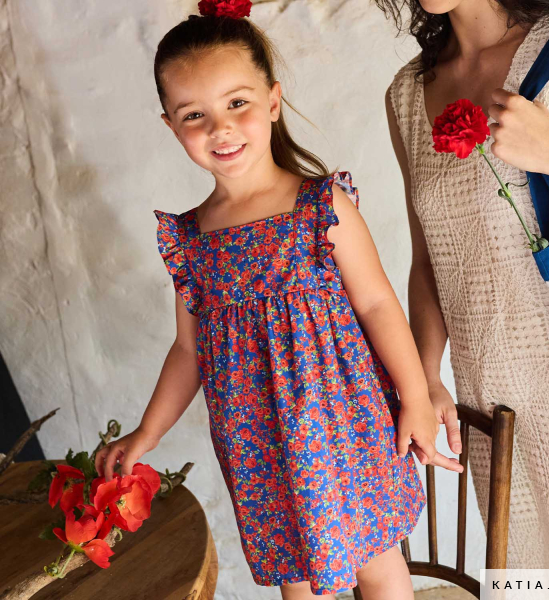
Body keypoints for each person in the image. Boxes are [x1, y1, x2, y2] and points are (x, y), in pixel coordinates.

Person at [94, 2, 462, 597]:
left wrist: (416, 398)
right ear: (171, 126)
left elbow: (376, 305)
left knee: (379, 565)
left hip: (346, 426)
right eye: (194, 114)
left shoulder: (320, 206)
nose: (220, 128)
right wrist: (147, 432)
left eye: (236, 103)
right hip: (259, 447)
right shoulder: (189, 241)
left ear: (271, 101)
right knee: (300, 578)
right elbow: (188, 351)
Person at [380, 0, 549, 569]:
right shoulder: (407, 95)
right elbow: (428, 259)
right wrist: (426, 377)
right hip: (493, 408)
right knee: (526, 578)